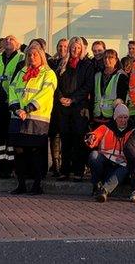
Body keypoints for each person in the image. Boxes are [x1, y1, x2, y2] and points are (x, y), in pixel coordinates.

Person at [8, 46, 57, 195]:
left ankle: (37, 184)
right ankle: (21, 184)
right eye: (29, 55)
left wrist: (27, 109)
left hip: (37, 119)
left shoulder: (48, 74)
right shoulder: (21, 72)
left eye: (35, 55)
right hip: (18, 117)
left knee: (36, 153)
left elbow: (45, 94)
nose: (32, 57)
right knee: (19, 152)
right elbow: (13, 90)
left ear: (41, 56)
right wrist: (16, 108)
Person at [54, 36, 93, 180]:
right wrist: (60, 97)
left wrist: (73, 99)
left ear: (82, 49)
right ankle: (65, 171)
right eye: (73, 47)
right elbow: (55, 84)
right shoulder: (62, 63)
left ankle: (78, 171)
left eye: (78, 47)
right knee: (65, 139)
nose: (75, 50)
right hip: (63, 108)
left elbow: (88, 86)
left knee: (78, 140)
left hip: (79, 107)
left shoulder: (87, 65)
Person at [0, 35, 23, 176]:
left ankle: (11, 167)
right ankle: (0, 167)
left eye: (12, 39)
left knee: (12, 137)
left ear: (18, 44)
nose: (8, 41)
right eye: (6, 39)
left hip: (14, 102)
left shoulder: (21, 57)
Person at [85, 103, 134, 202]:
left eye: (125, 117)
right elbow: (95, 135)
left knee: (126, 167)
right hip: (105, 161)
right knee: (94, 156)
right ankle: (97, 184)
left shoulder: (133, 131)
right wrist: (91, 138)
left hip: (121, 164)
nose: (123, 120)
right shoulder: (105, 128)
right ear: (115, 118)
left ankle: (104, 191)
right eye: (120, 117)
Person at [47, 37, 69, 176]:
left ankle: (64, 165)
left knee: (64, 136)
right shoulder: (52, 63)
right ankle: (55, 164)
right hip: (52, 104)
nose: (62, 49)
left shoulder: (71, 64)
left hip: (66, 104)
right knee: (53, 135)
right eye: (60, 46)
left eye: (65, 47)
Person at [93, 48, 131, 126]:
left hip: (112, 118)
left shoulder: (120, 76)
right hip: (97, 117)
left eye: (110, 57)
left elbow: (122, 98)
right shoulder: (97, 75)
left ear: (116, 60)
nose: (107, 60)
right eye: (105, 57)